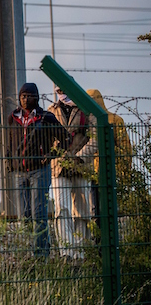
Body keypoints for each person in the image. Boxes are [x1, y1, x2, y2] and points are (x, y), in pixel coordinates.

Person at [5, 83, 68, 257]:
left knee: (38, 213)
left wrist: (52, 154)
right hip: (19, 171)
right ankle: (27, 252)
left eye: (28, 96)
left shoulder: (45, 117)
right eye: (22, 96)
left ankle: (41, 255)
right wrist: (9, 160)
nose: (25, 99)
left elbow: (65, 138)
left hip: (39, 170)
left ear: (36, 97)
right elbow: (9, 141)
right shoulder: (13, 118)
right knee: (24, 215)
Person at [48, 87, 97, 260]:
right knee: (62, 209)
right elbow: (46, 137)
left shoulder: (86, 109)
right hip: (59, 166)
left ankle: (81, 251)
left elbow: (96, 137)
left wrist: (80, 157)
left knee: (82, 210)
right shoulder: (51, 111)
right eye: (59, 89)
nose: (62, 92)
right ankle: (66, 252)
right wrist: (56, 152)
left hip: (81, 167)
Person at [86, 88, 133, 235]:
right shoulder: (84, 122)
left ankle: (109, 244)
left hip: (111, 173)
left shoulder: (114, 120)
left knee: (109, 212)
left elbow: (125, 148)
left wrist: (123, 171)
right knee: (95, 212)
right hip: (91, 175)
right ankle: (99, 246)